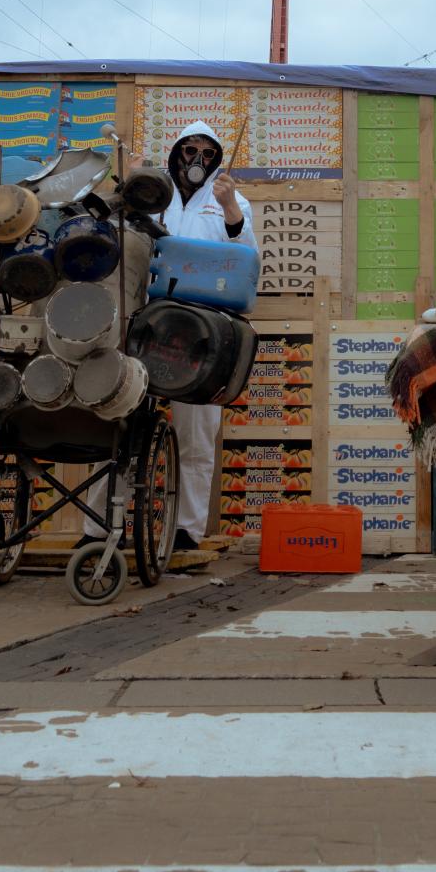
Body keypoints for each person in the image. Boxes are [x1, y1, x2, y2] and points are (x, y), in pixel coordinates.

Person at [163, 121, 257, 550]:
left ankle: (187, 528)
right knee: (122, 421)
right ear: (176, 154)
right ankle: (101, 526)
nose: (197, 161)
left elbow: (249, 257)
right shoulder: (154, 197)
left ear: (217, 157)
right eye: (189, 151)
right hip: (149, 322)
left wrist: (232, 209)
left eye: (206, 152)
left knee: (196, 432)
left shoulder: (229, 199)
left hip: (202, 328)